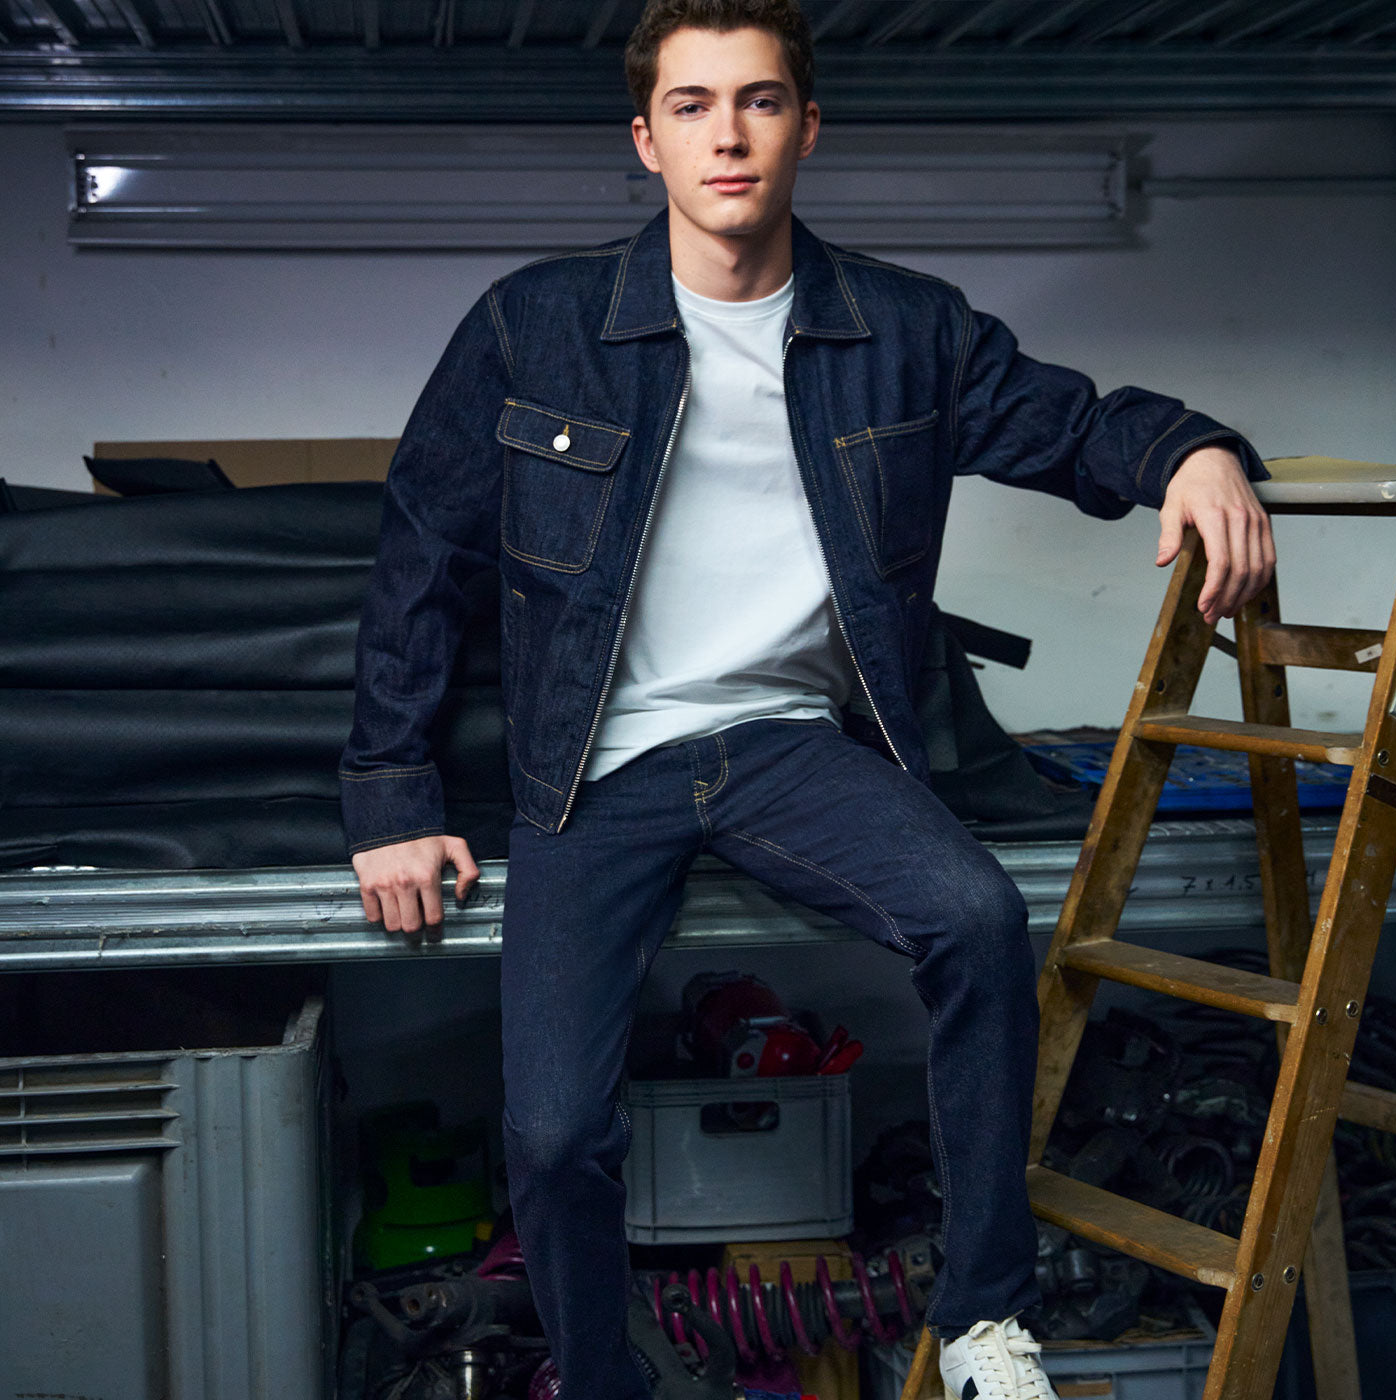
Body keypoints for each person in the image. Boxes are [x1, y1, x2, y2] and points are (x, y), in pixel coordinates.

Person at [339, 2, 1276, 1396]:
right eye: (696, 105)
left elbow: (1075, 424)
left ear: (808, 127)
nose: (730, 133)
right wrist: (392, 796)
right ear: (646, 138)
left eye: (762, 101)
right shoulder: (535, 325)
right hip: (597, 766)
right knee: (550, 1134)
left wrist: (1194, 450)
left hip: (793, 748)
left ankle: (981, 1320)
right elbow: (422, 554)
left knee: (971, 915)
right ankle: (605, 1379)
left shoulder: (903, 329)